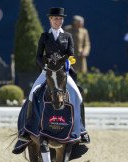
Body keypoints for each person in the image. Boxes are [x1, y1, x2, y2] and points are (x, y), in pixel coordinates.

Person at [18, 7, 89, 143]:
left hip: (62, 73)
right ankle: (27, 129)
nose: (58, 21)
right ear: (50, 19)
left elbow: (71, 55)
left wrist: (68, 62)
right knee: (33, 94)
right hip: (47, 72)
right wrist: (44, 66)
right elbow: (38, 56)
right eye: (56, 18)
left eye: (61, 19)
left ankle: (81, 130)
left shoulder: (67, 36)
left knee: (78, 97)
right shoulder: (44, 36)